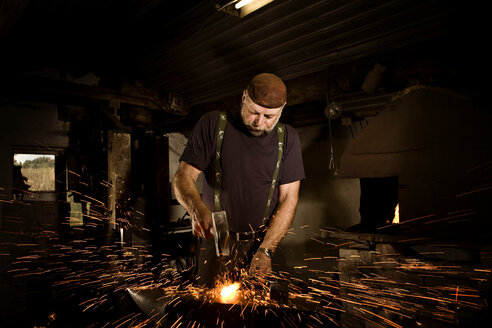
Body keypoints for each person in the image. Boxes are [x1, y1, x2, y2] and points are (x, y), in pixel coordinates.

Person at [172, 73, 305, 287]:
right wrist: (197, 209)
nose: (259, 122)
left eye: (269, 116)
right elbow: (182, 177)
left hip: (262, 243)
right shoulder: (214, 123)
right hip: (217, 241)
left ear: (282, 109)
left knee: (257, 312)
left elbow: (289, 197)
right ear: (244, 98)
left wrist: (266, 249)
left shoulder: (288, 138)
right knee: (209, 309)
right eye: (254, 112)